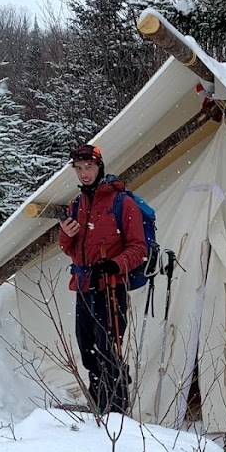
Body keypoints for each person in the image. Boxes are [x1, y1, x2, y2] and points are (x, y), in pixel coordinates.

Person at [58, 142, 147, 414]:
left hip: (111, 287)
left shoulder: (122, 202)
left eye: (89, 167)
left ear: (100, 167)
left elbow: (139, 247)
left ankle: (117, 412)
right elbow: (69, 250)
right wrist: (66, 235)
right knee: (87, 350)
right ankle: (99, 408)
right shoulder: (76, 204)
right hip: (84, 286)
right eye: (79, 168)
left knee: (109, 349)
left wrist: (115, 265)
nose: (84, 173)